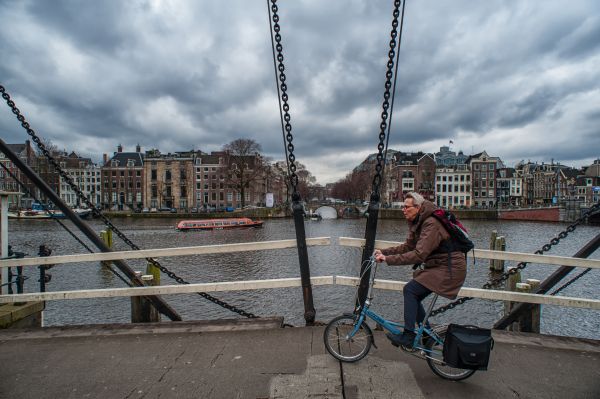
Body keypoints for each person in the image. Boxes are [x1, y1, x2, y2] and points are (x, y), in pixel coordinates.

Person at [374, 192, 467, 348]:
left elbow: (419, 254)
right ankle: (426, 334)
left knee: (410, 290)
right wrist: (384, 252)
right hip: (440, 266)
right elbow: (408, 247)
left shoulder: (431, 223)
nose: (403, 209)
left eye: (406, 207)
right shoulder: (417, 222)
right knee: (413, 294)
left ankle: (409, 336)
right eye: (403, 206)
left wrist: (388, 260)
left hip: (450, 268)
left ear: (417, 207)